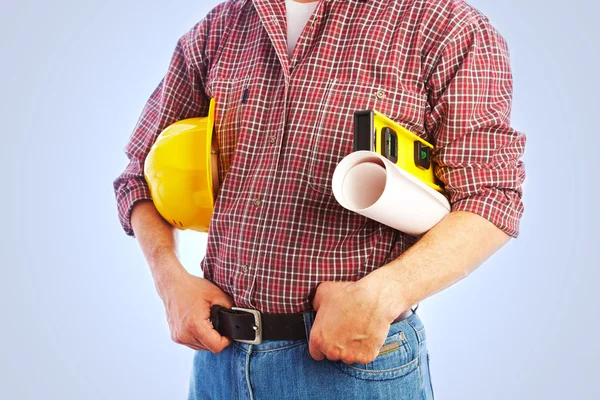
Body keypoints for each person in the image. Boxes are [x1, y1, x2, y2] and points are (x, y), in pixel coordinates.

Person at [113, 0, 526, 398]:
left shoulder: (446, 26)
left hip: (354, 367)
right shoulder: (219, 28)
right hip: (218, 364)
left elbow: (491, 197)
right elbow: (138, 176)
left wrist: (386, 293)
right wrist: (170, 281)